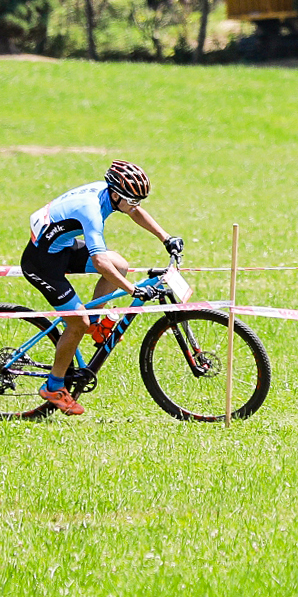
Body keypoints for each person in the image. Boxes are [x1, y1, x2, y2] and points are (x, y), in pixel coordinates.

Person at [21, 161, 183, 416]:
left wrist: (166, 238)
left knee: (120, 265)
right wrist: (133, 290)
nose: (135, 205)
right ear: (116, 194)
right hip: (41, 263)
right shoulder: (92, 212)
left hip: (61, 248)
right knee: (78, 323)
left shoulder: (109, 193)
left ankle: (95, 323)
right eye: (132, 200)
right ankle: (54, 386)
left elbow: (134, 212)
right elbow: (99, 262)